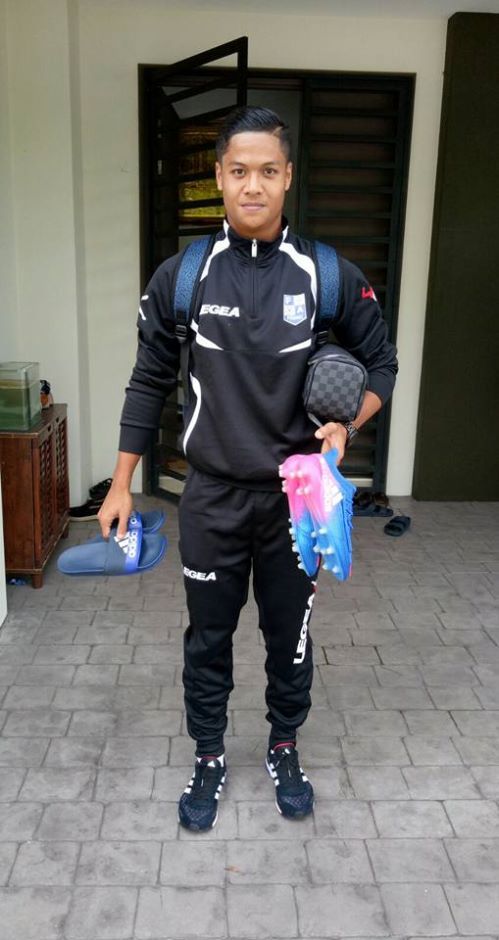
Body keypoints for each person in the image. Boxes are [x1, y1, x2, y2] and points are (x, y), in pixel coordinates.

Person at [98, 106, 398, 831]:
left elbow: (382, 364)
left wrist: (347, 424)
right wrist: (120, 484)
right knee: (207, 639)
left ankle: (283, 745)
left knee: (287, 637)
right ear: (219, 177)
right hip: (211, 498)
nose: (253, 185)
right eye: (239, 171)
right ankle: (208, 754)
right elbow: (147, 381)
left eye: (267, 171)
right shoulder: (184, 276)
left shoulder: (327, 274)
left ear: (288, 177)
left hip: (297, 502)